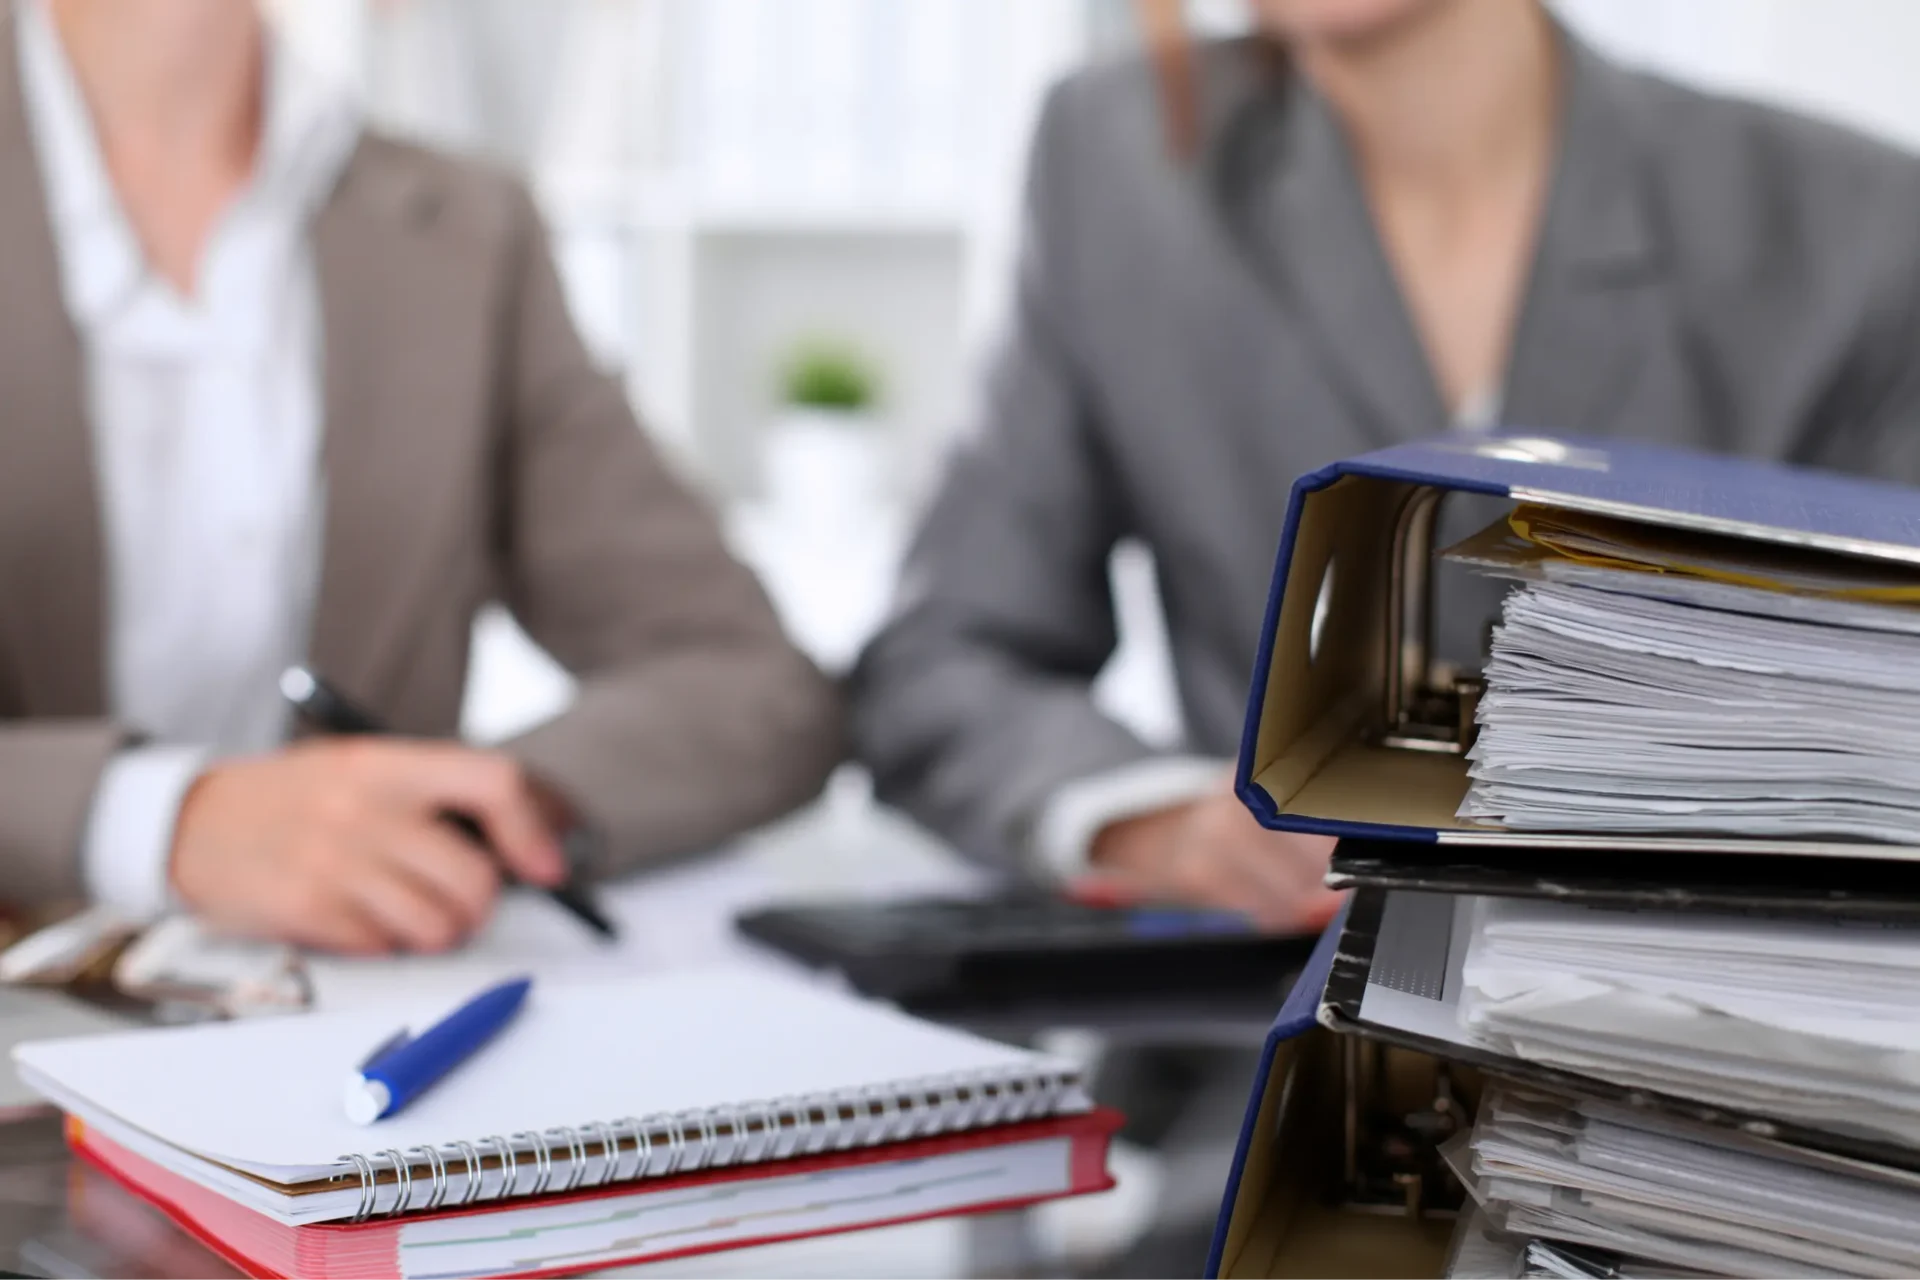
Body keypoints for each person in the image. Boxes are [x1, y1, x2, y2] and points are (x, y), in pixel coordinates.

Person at [852, 0, 1920, 927]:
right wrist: (1150, 815)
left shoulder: (1851, 227)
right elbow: (943, 659)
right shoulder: (1116, 162)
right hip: (1276, 1037)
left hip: (1718, 1059)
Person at [0, 0, 844, 954]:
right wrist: (157, 820)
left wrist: (472, 810)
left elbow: (753, 686)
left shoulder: (466, 235)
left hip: (339, 1035)